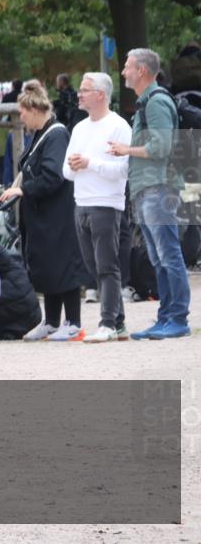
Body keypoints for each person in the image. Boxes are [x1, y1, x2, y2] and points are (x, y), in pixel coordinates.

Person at [108, 48, 191, 339]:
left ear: (142, 70)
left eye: (128, 67)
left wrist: (125, 150)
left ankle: (177, 318)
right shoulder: (146, 103)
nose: (123, 72)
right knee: (158, 258)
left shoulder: (156, 103)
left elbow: (161, 148)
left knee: (169, 255)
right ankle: (166, 317)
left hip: (160, 189)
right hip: (146, 190)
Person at [0, 80, 90, 341]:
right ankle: (51, 322)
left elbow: (53, 175)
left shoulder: (57, 134)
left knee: (63, 264)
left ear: (34, 108)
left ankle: (73, 322)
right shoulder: (40, 134)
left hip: (56, 215)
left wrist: (23, 189)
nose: (21, 117)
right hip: (40, 216)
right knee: (47, 265)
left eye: (22, 112)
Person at [62, 72, 133, 343]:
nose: (79, 94)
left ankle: (107, 324)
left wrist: (90, 163)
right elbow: (65, 172)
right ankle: (120, 323)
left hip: (106, 204)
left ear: (101, 94)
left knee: (106, 267)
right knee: (94, 268)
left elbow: (123, 170)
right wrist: (74, 165)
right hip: (81, 203)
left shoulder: (118, 126)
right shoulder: (79, 128)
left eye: (85, 89)